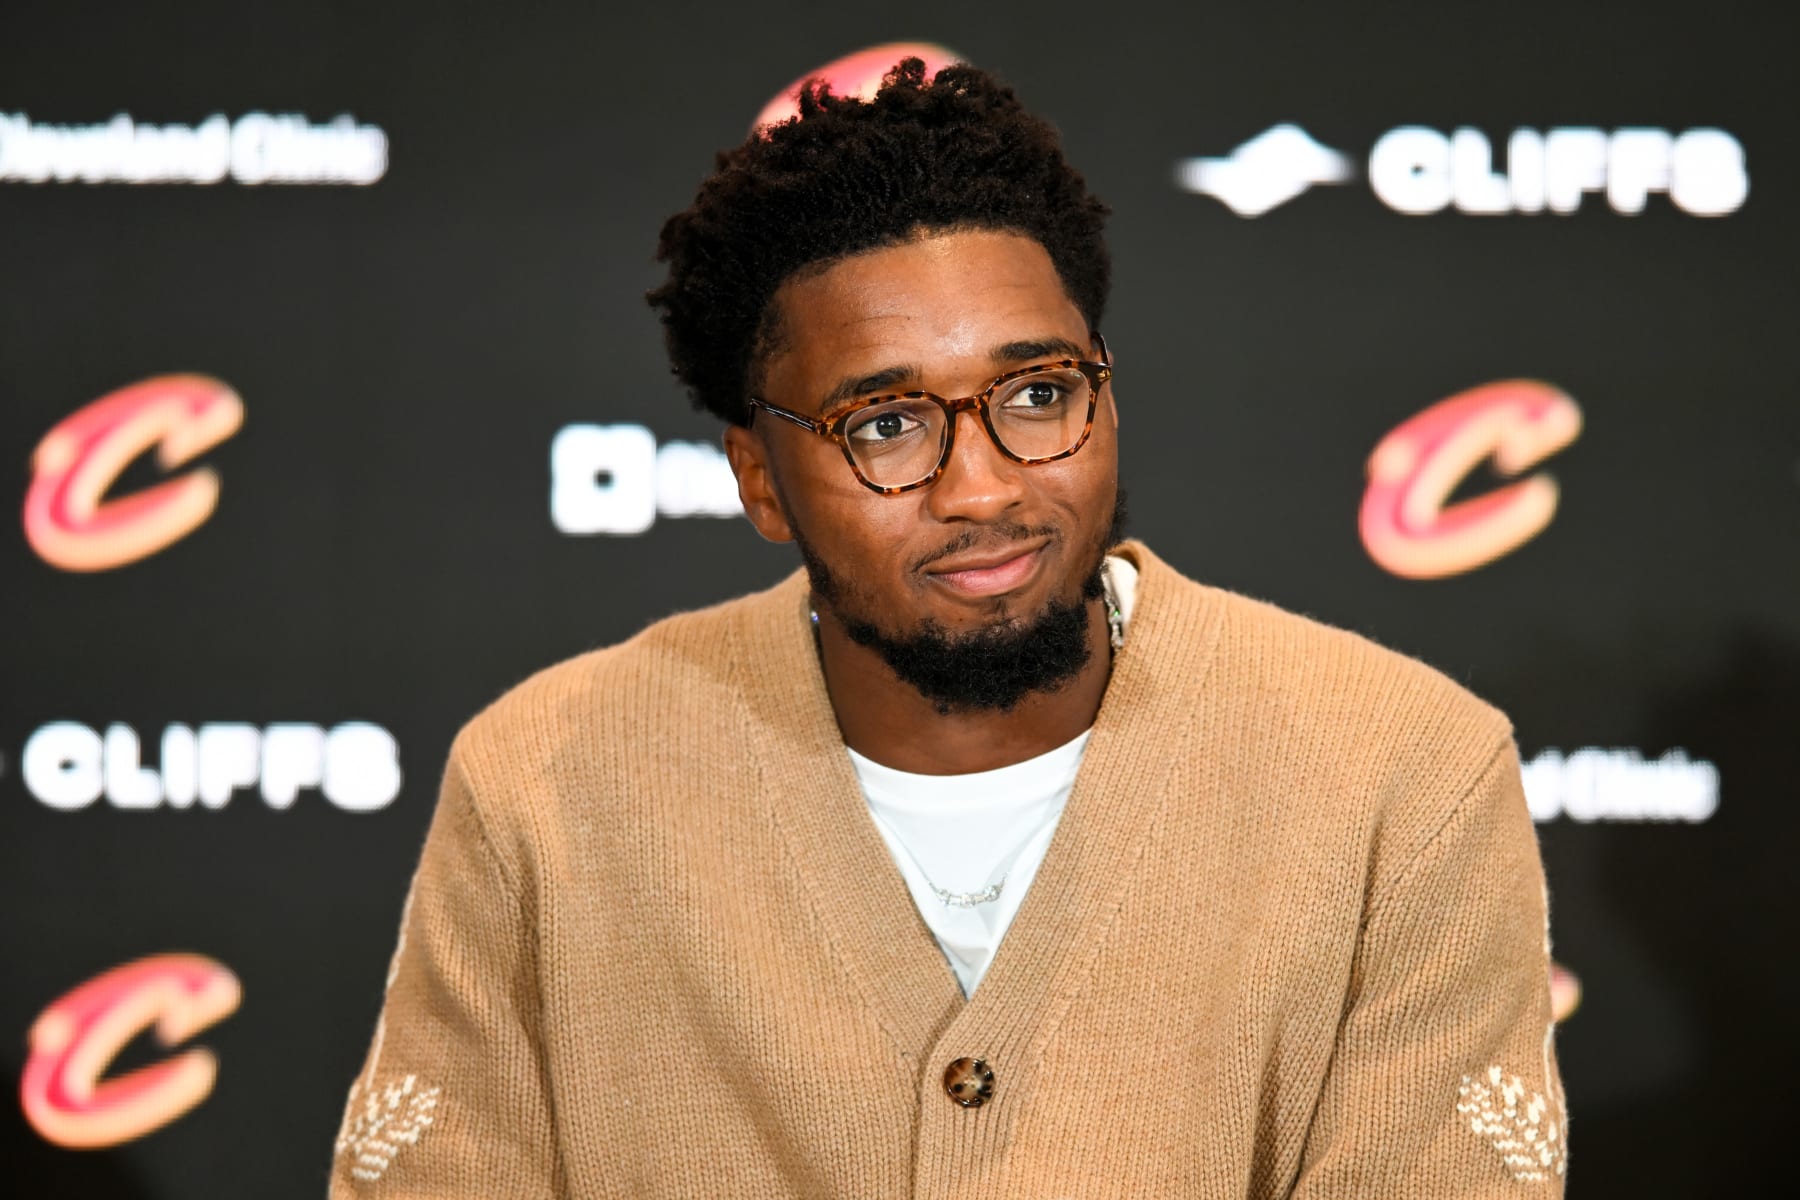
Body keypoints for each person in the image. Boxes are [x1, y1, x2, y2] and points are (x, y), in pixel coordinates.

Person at [328, 58, 1567, 1198]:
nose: (983, 488)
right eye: (886, 425)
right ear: (760, 480)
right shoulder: (545, 786)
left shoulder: (1404, 778)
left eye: (1038, 394)